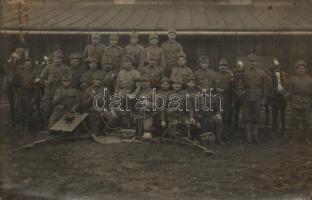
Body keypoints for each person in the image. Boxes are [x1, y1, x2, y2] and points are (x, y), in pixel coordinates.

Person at [38, 49, 68, 127]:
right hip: (49, 90)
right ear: (53, 58)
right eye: (56, 58)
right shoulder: (48, 67)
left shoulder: (66, 68)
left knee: (59, 109)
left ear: (62, 59)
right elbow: (41, 78)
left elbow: (69, 79)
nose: (58, 60)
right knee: (47, 108)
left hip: (60, 91)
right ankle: (47, 127)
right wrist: (45, 82)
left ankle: (58, 126)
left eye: (60, 58)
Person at [242, 53, 267, 143]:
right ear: (247, 62)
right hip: (247, 96)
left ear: (257, 62)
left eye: (254, 61)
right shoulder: (244, 72)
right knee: (247, 116)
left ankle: (255, 135)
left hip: (257, 96)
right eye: (250, 61)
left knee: (256, 116)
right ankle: (248, 135)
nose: (252, 63)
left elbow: (264, 87)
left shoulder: (262, 72)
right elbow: (241, 85)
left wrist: (264, 98)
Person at [286, 60, 312, 142]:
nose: (301, 70)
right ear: (296, 70)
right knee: (294, 121)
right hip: (295, 103)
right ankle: (294, 137)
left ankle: (307, 138)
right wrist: (288, 96)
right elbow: (289, 91)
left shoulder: (310, 79)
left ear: (305, 70)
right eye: (299, 68)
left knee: (307, 121)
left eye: (303, 68)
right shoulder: (292, 79)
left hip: (306, 103)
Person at [4, 42, 26, 127]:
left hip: (17, 84)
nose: (21, 51)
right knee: (14, 104)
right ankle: (14, 121)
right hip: (12, 84)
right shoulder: (13, 58)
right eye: (19, 49)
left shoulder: (20, 59)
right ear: (17, 49)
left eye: (22, 50)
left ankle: (18, 121)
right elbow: (9, 71)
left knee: (18, 104)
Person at [214, 58, 234, 138]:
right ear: (218, 66)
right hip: (217, 100)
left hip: (227, 99)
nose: (223, 67)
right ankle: (217, 134)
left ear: (227, 66)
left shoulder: (230, 75)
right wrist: (216, 89)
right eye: (221, 65)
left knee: (226, 117)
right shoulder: (215, 75)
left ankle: (225, 134)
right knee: (218, 117)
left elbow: (233, 88)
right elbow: (212, 86)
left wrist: (232, 101)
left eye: (224, 65)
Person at [15, 58, 37, 131]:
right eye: (26, 65)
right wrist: (18, 90)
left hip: (29, 94)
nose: (28, 66)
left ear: (31, 66)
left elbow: (36, 85)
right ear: (24, 65)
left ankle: (27, 126)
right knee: (20, 110)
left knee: (28, 110)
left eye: (29, 65)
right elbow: (16, 83)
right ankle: (21, 124)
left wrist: (30, 87)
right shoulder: (20, 73)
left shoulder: (34, 73)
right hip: (21, 94)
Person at [268, 58, 287, 137]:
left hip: (282, 97)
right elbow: (269, 86)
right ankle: (274, 130)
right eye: (275, 66)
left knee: (283, 115)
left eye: (278, 66)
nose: (277, 68)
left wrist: (284, 90)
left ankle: (283, 130)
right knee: (274, 115)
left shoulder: (283, 75)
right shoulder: (271, 76)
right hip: (274, 97)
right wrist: (275, 90)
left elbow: (286, 85)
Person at [232, 59, 245, 130]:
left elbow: (247, 85)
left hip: (243, 96)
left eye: (241, 66)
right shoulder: (234, 75)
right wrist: (235, 92)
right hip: (236, 96)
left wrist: (244, 91)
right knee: (235, 112)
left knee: (245, 112)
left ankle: (244, 127)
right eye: (238, 66)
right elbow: (232, 86)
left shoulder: (245, 75)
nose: (239, 67)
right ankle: (235, 126)